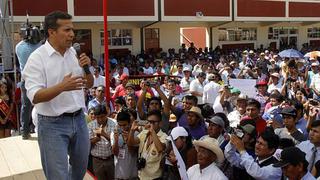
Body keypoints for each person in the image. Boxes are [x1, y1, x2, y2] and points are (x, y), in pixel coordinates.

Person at [22, 11, 94, 180]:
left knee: (80, 170)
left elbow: (88, 84)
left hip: (79, 120)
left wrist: (87, 70)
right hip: (51, 125)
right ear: (51, 32)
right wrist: (62, 87)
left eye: (72, 30)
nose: (72, 35)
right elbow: (35, 96)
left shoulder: (73, 53)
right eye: (67, 30)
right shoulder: (36, 59)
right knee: (58, 176)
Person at [15, 24, 42, 139]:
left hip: (24, 80)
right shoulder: (38, 46)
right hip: (38, 80)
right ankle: (42, 130)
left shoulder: (18, 47)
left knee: (26, 106)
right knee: (42, 104)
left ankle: (24, 131)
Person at [127, 110, 168, 180]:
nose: (150, 124)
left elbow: (160, 148)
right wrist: (132, 131)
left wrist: (152, 131)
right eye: (149, 122)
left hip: (155, 178)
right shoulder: (144, 133)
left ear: (160, 123)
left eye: (153, 122)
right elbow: (131, 143)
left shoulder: (164, 136)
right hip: (141, 176)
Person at [88, 105, 117, 180]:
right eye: (98, 117)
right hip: (97, 161)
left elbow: (117, 143)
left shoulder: (114, 124)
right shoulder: (90, 125)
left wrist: (104, 134)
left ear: (106, 114)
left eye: (102, 116)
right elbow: (87, 143)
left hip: (110, 160)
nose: (100, 119)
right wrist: (96, 139)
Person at [111, 110, 138, 180]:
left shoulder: (135, 134)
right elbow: (115, 153)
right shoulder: (114, 134)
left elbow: (132, 152)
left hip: (132, 174)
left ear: (129, 123)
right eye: (120, 125)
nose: (122, 127)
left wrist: (128, 140)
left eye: (124, 125)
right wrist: (116, 141)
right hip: (119, 174)